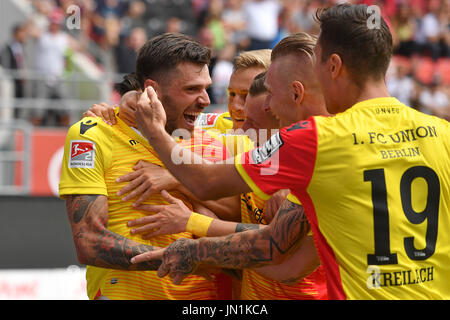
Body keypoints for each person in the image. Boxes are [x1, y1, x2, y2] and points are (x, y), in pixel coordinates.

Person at [130, 4, 450, 300]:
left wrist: (156, 132)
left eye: (319, 61)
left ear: (334, 66)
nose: (267, 104)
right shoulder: (442, 132)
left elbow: (206, 183)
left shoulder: (315, 139)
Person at [59, 32, 232, 300]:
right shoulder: (93, 133)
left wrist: (177, 180)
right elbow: (89, 242)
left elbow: (239, 215)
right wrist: (177, 257)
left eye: (206, 87)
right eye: (191, 89)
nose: (205, 100)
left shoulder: (211, 136)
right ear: (152, 88)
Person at [128, 70, 327, 300]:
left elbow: (285, 261)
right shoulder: (243, 140)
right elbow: (208, 179)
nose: (241, 129)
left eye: (252, 123)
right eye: (232, 94)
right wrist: (124, 102)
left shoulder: (312, 172)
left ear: (286, 119)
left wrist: (194, 224)